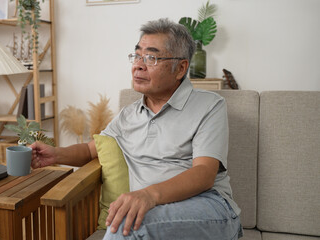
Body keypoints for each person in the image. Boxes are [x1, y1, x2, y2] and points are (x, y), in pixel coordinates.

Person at [31, 18, 243, 239]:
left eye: (151, 57)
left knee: (124, 228)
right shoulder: (128, 114)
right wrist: (55, 154)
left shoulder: (209, 105)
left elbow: (204, 174)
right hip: (153, 209)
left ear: (180, 68)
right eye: (137, 56)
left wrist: (148, 195)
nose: (138, 65)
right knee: (126, 225)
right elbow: (90, 150)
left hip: (208, 206)